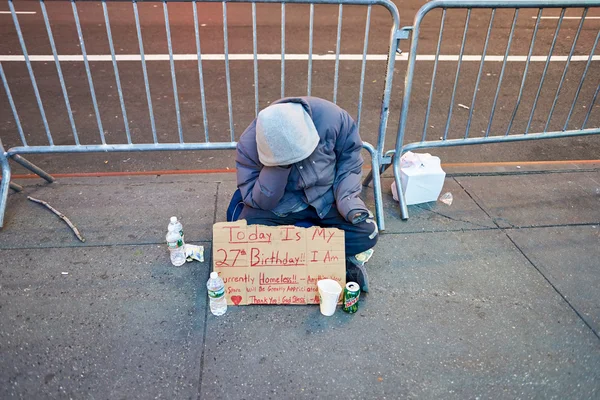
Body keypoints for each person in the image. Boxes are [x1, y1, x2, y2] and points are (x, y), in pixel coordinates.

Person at [233, 96, 378, 292]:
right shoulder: (249, 143)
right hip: (281, 206)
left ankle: (296, 255)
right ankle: (330, 258)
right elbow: (257, 199)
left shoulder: (332, 118)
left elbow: (349, 163)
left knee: (367, 233)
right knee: (244, 235)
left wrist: (348, 200)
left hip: (327, 199)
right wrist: (277, 166)